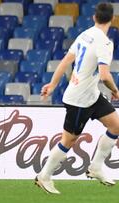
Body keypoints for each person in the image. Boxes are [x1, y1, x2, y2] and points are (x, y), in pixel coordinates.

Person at [36, 2, 119, 194]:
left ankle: (96, 167)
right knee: (68, 141)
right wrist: (115, 90)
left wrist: (53, 84)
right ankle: (44, 176)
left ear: (93, 17)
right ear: (112, 19)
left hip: (91, 95)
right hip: (79, 99)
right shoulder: (105, 43)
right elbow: (105, 75)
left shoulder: (85, 34)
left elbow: (66, 60)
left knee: (115, 126)